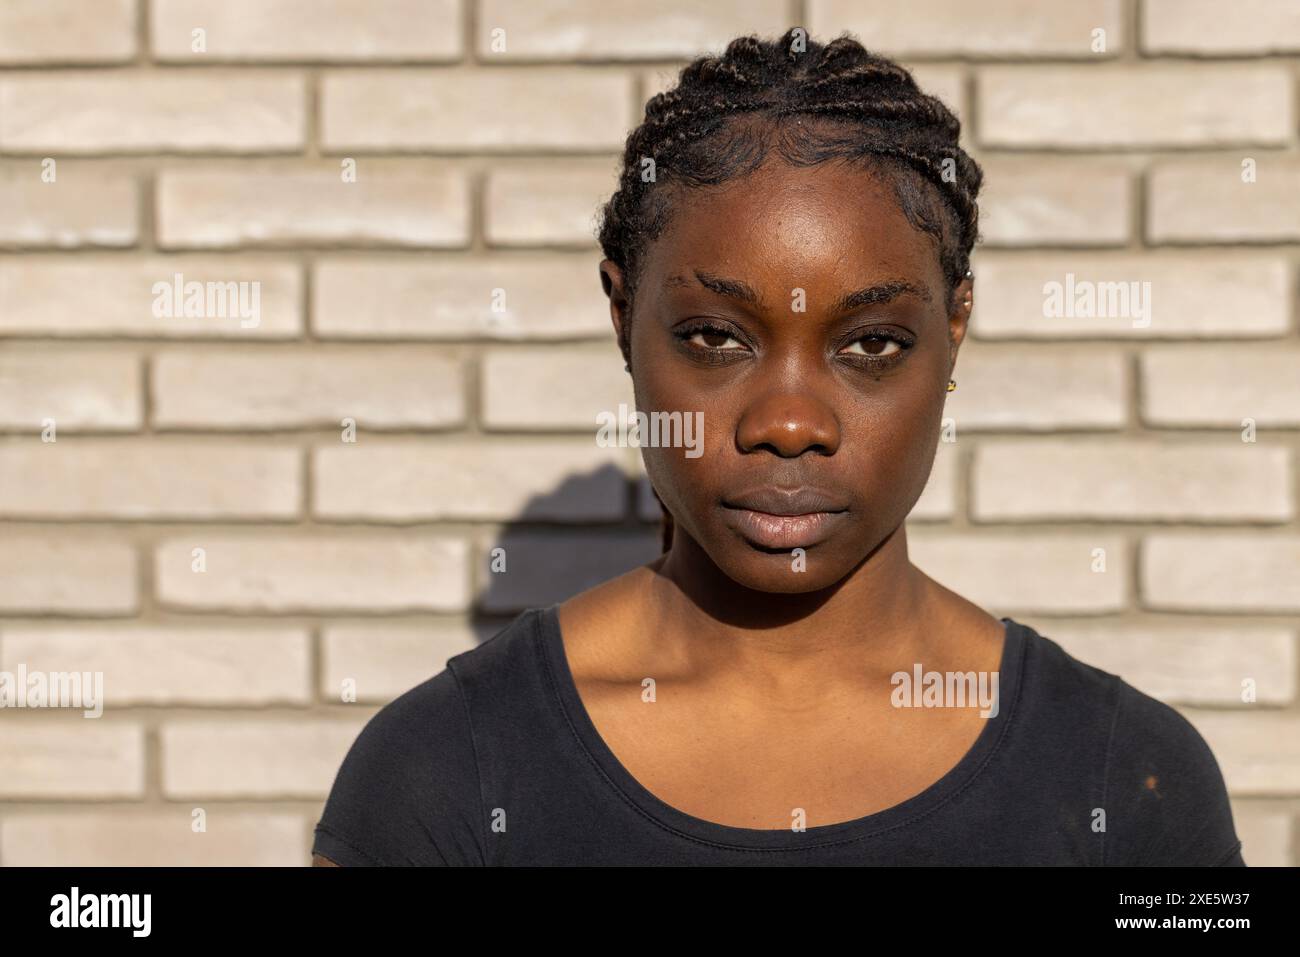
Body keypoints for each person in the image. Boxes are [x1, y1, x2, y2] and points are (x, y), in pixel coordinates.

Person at [311, 29, 1244, 866]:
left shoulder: (1126, 783)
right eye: (716, 338)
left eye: (871, 344)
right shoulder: (443, 776)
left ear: (954, 329)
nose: (790, 423)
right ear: (622, 312)